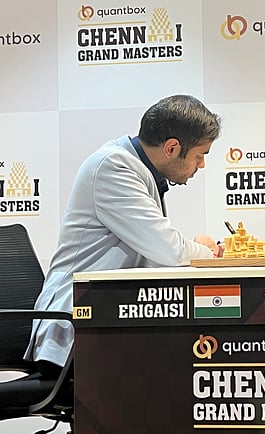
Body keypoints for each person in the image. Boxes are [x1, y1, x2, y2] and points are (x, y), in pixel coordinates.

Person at [24, 94, 224, 377]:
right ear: (172, 148)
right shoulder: (114, 167)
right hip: (74, 336)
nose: (201, 165)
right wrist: (208, 252)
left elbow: (156, 253)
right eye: (199, 155)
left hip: (102, 324)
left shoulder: (135, 167)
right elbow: (169, 251)